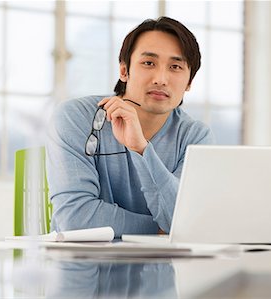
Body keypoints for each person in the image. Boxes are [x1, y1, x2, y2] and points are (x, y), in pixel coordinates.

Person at [46, 16, 214, 237]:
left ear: (189, 82)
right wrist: (159, 229)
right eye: (148, 63)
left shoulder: (195, 136)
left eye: (175, 67)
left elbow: (185, 221)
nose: (161, 79)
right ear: (124, 71)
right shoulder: (75, 117)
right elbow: (76, 218)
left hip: (164, 268)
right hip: (84, 265)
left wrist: (142, 150)